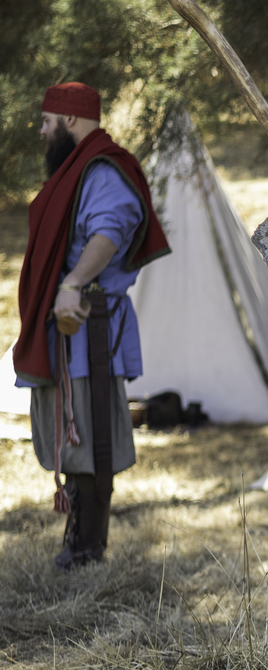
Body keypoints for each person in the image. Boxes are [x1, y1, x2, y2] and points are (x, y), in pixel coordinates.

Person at [12, 82, 170, 569]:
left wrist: (73, 283)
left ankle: (87, 548)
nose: (42, 131)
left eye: (47, 121)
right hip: (70, 325)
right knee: (71, 429)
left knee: (89, 432)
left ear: (70, 120)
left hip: (87, 325)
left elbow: (110, 230)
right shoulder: (80, 169)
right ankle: (79, 540)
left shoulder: (102, 170)